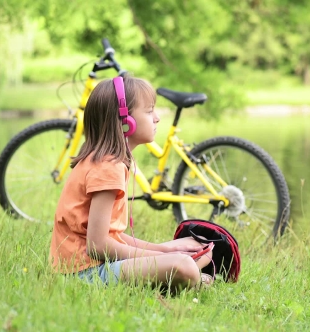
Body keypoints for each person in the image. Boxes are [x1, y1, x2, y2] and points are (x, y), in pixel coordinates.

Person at [49, 75, 213, 290]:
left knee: (199, 253)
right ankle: (194, 280)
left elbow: (111, 236)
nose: (157, 118)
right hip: (85, 273)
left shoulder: (109, 161)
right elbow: (97, 246)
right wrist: (163, 256)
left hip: (95, 264)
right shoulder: (108, 168)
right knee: (184, 266)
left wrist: (164, 250)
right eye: (149, 111)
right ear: (126, 122)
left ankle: (179, 267)